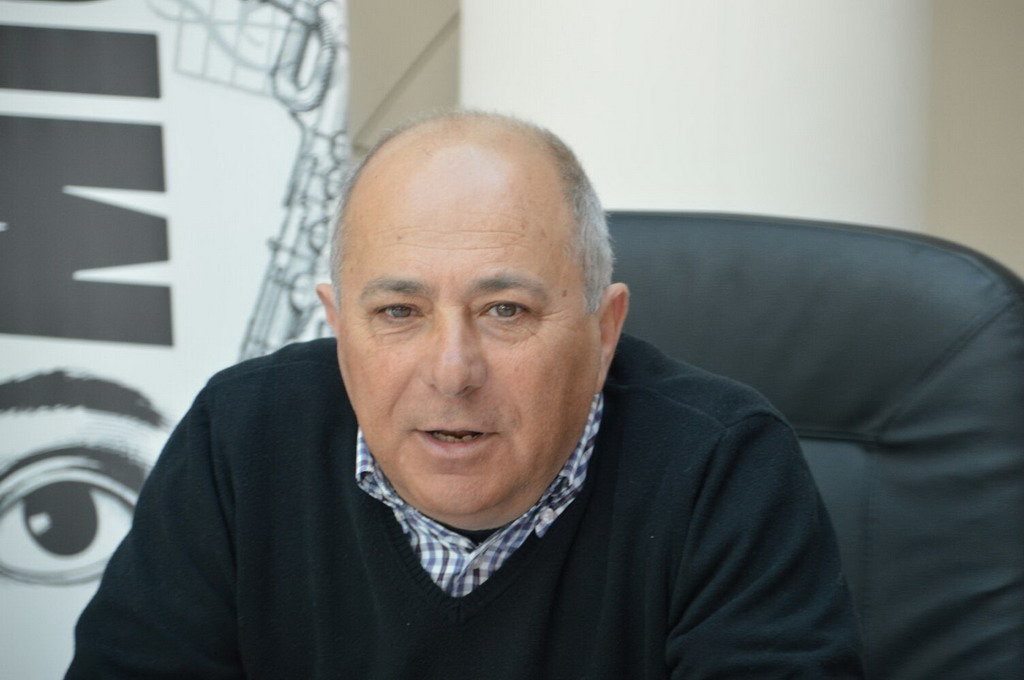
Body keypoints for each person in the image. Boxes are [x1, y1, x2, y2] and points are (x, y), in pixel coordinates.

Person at [66, 111, 864, 678]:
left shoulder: (722, 466)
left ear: (603, 330)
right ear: (338, 327)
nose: (452, 372)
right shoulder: (240, 438)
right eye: (398, 312)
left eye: (505, 310)